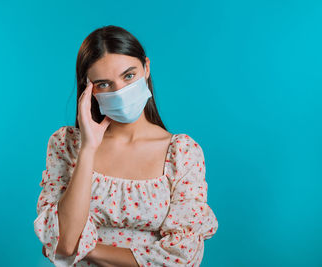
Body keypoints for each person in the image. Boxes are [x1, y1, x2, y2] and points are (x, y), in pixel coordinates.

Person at [33, 25, 218, 267]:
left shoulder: (181, 153)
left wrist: (87, 248)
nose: (120, 92)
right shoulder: (67, 146)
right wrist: (88, 148)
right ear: (88, 89)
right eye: (104, 84)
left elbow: (182, 257)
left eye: (129, 76)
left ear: (147, 68)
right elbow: (65, 243)